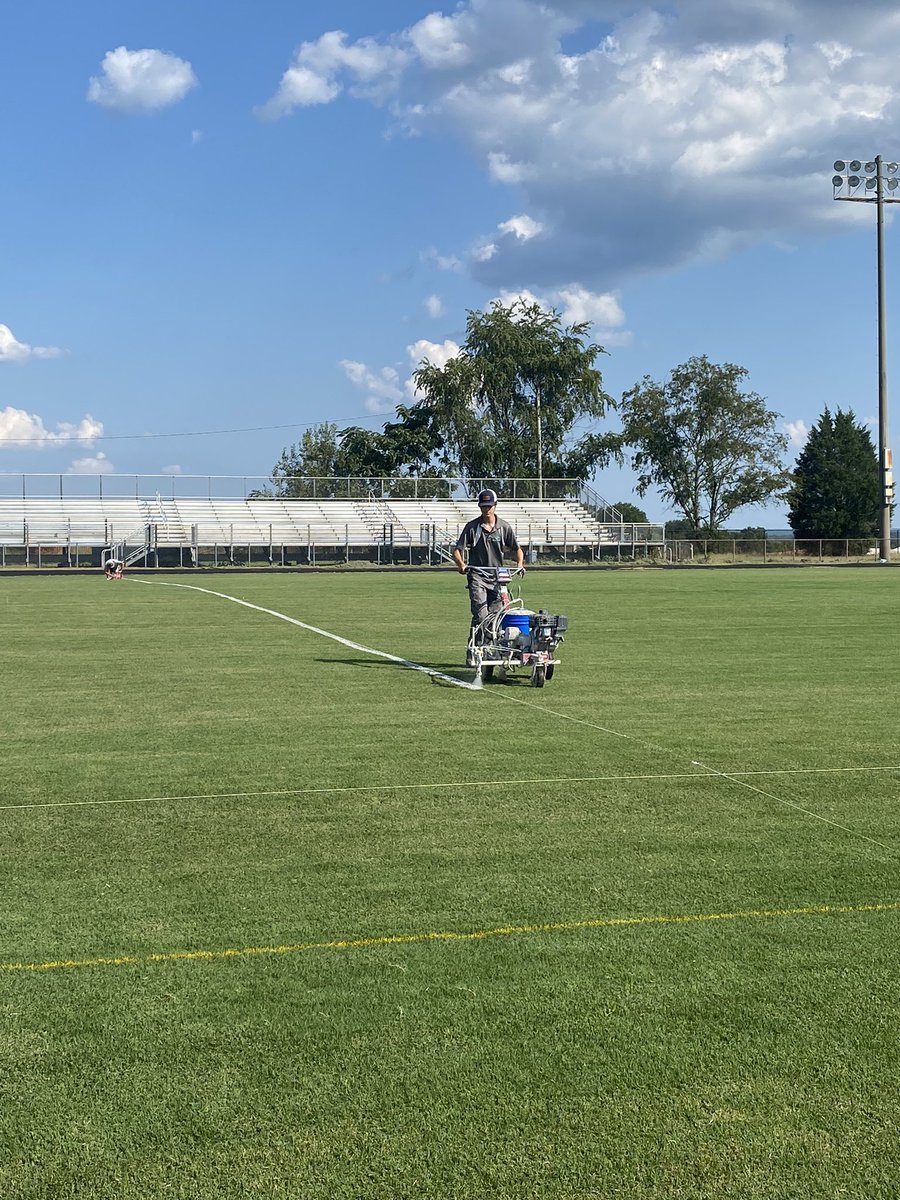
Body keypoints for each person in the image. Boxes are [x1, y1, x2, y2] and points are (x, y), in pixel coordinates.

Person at [452, 489, 524, 651]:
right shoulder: (472, 527)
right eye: (484, 506)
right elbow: (457, 550)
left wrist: (519, 564)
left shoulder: (504, 527)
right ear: (480, 507)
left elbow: (517, 549)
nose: (487, 510)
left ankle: (488, 649)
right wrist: (461, 565)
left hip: (498, 577)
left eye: (489, 506)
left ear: (495, 506)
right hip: (478, 575)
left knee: (497, 615)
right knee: (481, 615)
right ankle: (477, 649)